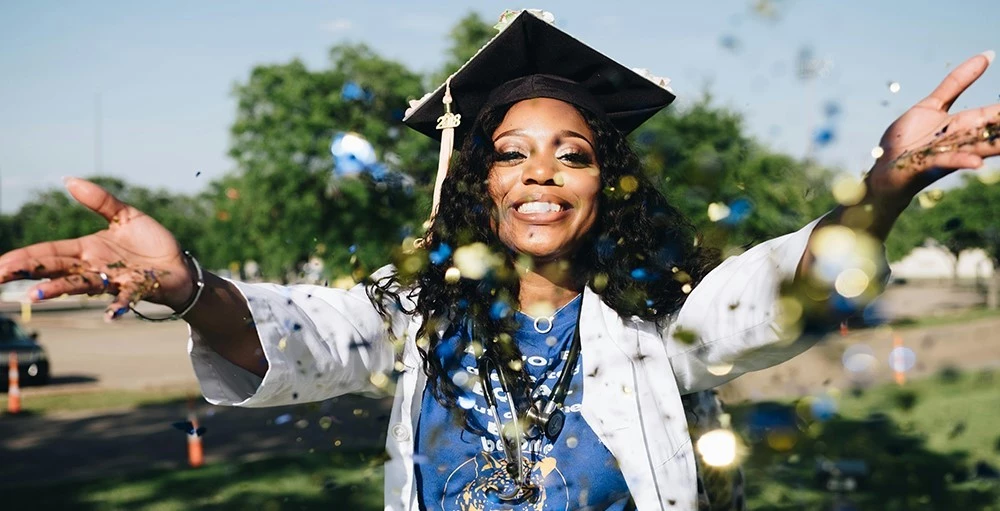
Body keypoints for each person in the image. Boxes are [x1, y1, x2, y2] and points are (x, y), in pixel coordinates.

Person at [1, 9, 998, 511]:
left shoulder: (659, 322)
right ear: (474, 181)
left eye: (574, 152)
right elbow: (302, 333)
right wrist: (192, 291)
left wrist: (887, 188)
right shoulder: (411, 316)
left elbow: (773, 293)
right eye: (510, 152)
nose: (541, 173)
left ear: (608, 179)